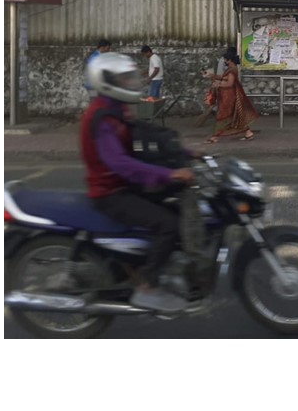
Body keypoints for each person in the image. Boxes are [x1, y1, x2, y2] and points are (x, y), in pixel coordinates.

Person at [81, 53, 194, 313]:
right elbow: (120, 163)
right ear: (107, 80)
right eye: (126, 78)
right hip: (111, 192)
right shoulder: (102, 118)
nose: (132, 82)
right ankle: (147, 287)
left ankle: (166, 267)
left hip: (124, 185)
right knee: (168, 224)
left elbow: (147, 142)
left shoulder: (116, 108)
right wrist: (170, 174)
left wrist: (186, 154)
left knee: (173, 204)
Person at [202, 46, 260, 143]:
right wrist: (211, 75)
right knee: (235, 115)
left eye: (225, 59)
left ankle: (214, 137)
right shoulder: (231, 68)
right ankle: (248, 133)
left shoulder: (232, 70)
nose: (224, 61)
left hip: (228, 97)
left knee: (222, 115)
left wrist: (218, 84)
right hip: (228, 96)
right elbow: (223, 78)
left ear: (229, 60)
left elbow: (229, 83)